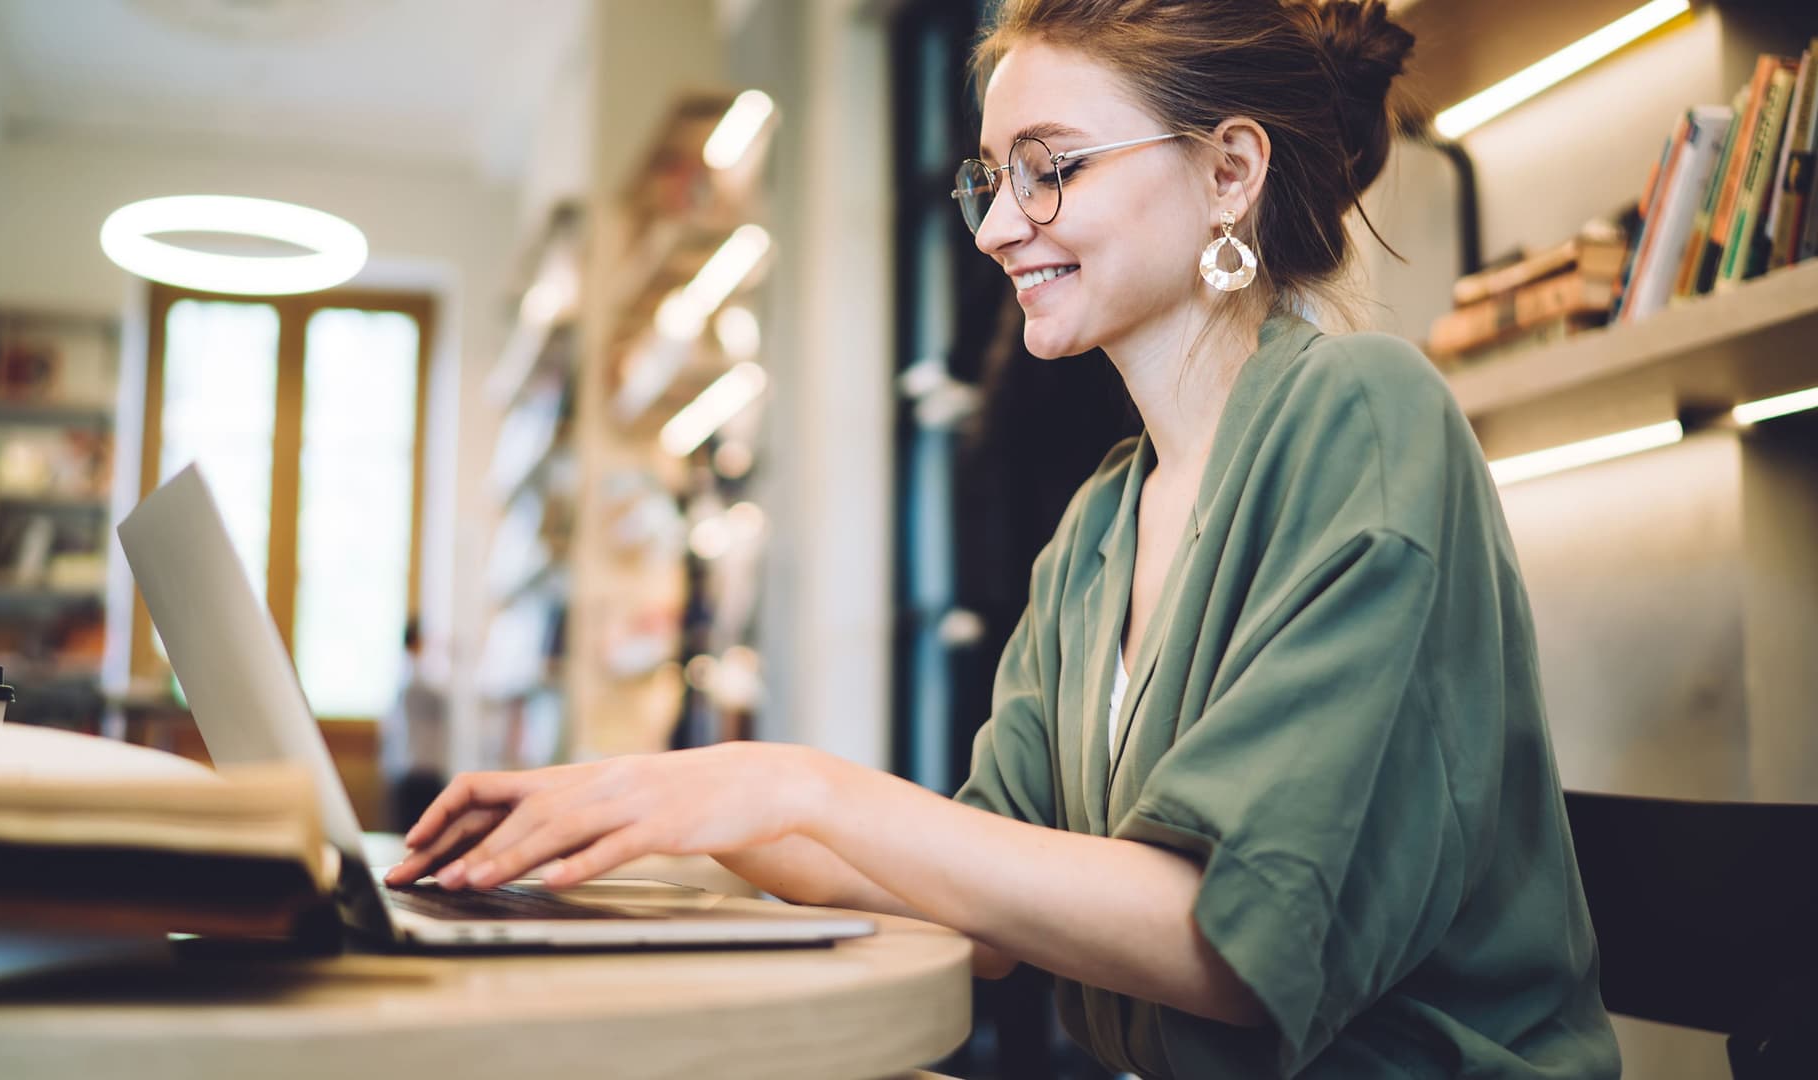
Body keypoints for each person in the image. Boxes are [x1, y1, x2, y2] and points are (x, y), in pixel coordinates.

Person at [387, 1, 1621, 1075]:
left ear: (1230, 172)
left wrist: (793, 783)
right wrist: (657, 812)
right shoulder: (1097, 529)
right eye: (994, 177)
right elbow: (985, 902)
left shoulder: (1366, 412)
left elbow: (1230, 945)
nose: (996, 228)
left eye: (1054, 168)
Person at [380, 616, 449, 833]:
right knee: (418, 829)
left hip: (406, 765)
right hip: (419, 767)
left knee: (407, 828)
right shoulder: (417, 676)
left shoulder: (400, 675)